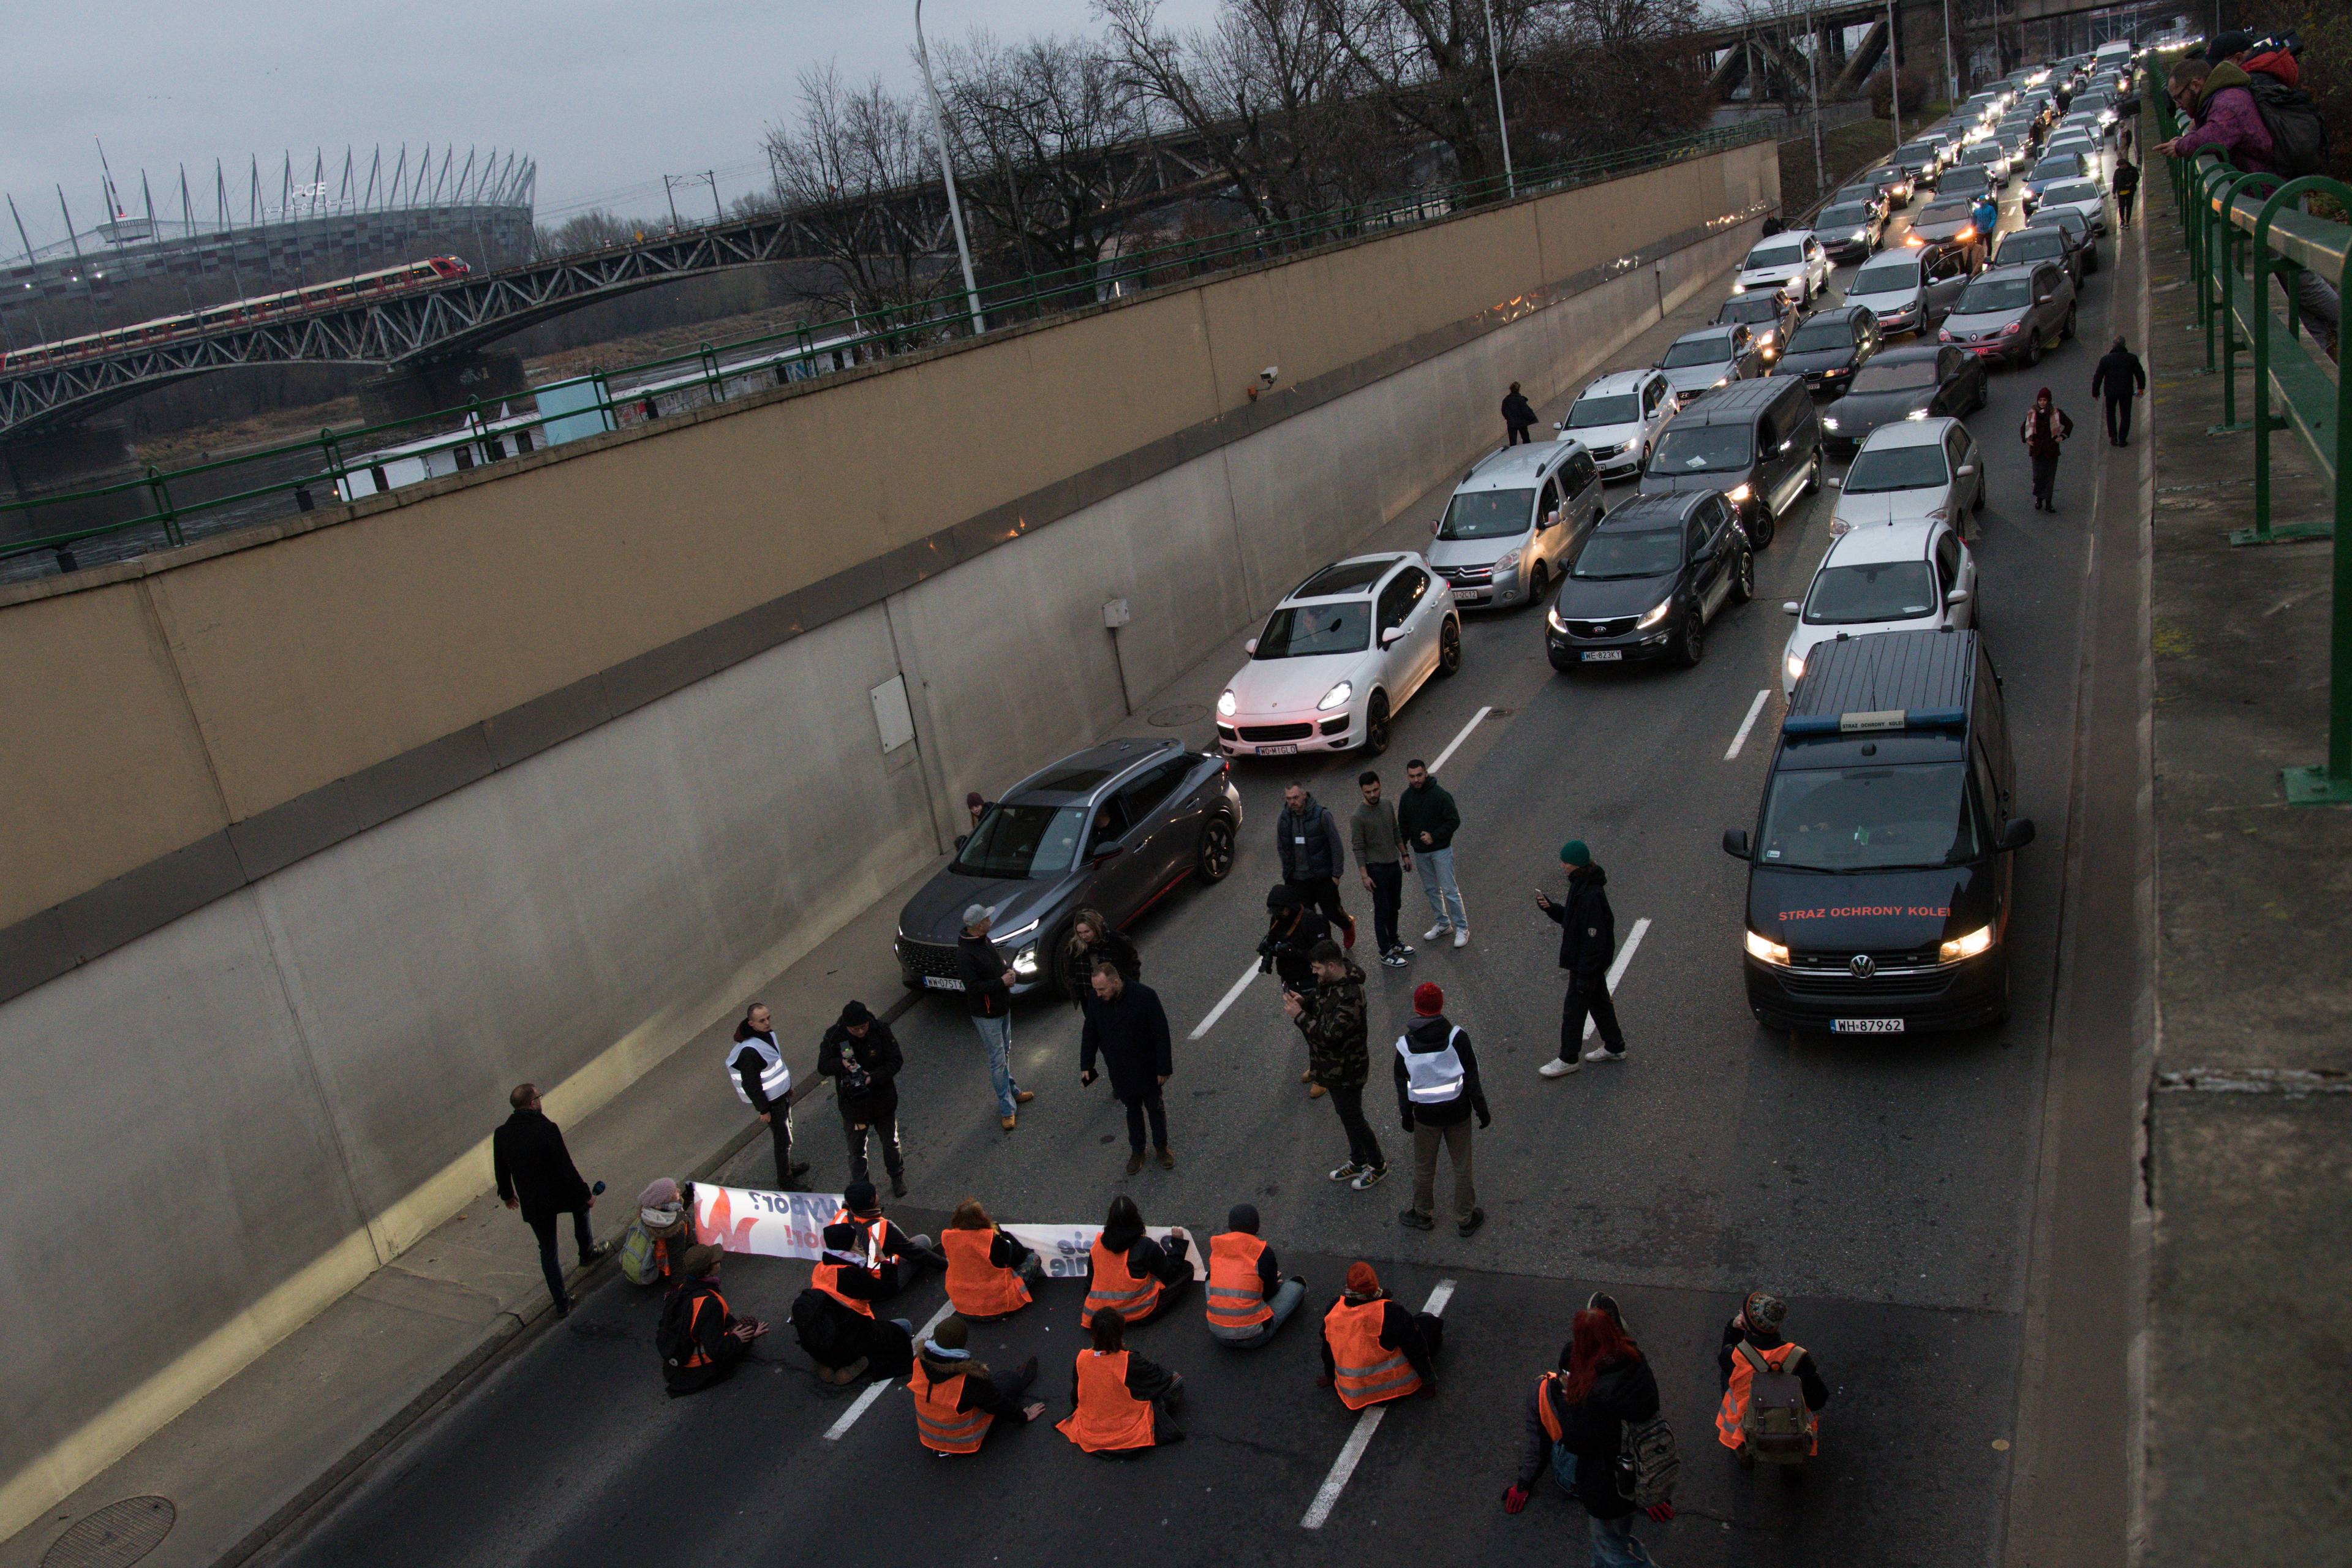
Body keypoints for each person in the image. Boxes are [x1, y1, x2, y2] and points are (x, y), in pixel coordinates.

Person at [1504, 1310, 1672, 1564]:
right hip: (1637, 1477)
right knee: (1613, 1542)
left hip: (1604, 1488)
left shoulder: (1588, 1399)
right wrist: (1647, 1492)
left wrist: (1523, 1484)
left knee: (1610, 1548)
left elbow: (1572, 1442)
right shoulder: (1634, 1367)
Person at [492, 1083, 608, 1317]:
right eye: (539, 1097)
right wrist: (586, 1195)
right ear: (533, 1103)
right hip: (560, 1193)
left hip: (534, 1202)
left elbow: (501, 1169)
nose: (541, 1100)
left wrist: (507, 1195)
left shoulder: (502, 1134)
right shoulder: (546, 1129)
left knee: (548, 1250)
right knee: (582, 1210)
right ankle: (586, 1252)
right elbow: (565, 1167)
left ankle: (562, 1301)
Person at [1394, 982, 1490, 1237]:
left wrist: (1406, 1114)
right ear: (1441, 1007)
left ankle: (1423, 1213)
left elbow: (1402, 1084)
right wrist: (1481, 1109)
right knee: (1462, 1165)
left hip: (1425, 1117)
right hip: (1458, 1112)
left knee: (1425, 1167)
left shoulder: (1405, 1045)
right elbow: (1471, 1077)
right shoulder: (1457, 1037)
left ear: (1416, 1008)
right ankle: (1465, 1217)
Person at [1289, 939, 1387, 1188]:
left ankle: (1377, 1165)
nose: (1314, 972)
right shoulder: (1331, 983)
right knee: (1346, 1115)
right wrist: (1306, 1002)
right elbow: (1322, 1004)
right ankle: (1358, 1161)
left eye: (1317, 968)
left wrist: (1299, 1016)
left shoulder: (1351, 996)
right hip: (1333, 1068)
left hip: (1348, 1069)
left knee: (1354, 1117)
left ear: (1332, 966)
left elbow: (1330, 1035)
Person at [1537, 840, 1626, 1076]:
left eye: (1565, 863)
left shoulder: (1590, 895)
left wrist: (1585, 974)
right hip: (1589, 963)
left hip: (1586, 964)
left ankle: (1568, 1058)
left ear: (1575, 864)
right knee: (1599, 1003)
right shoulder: (1582, 886)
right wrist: (1551, 908)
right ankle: (1615, 1047)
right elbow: (1574, 921)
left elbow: (1593, 938)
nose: (1562, 866)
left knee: (1574, 1011)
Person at [1079, 959, 1177, 1172]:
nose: (1098, 994)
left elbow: (1161, 1034)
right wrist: (1087, 1064)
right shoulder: (1096, 1000)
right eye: (1095, 989)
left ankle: (1161, 1147)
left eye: (1102, 989)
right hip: (1120, 1070)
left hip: (1147, 1067)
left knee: (1155, 1108)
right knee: (1132, 1111)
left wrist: (1164, 1068)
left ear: (1116, 982)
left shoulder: (1145, 996)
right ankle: (1138, 1149)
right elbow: (1091, 1032)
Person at [792, 1220, 918, 1384]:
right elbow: (888, 1290)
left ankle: (830, 1363)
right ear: (848, 1247)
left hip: (826, 1333)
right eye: (856, 1244)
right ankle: (860, 1361)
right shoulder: (850, 1275)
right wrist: (886, 1260)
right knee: (904, 1327)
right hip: (851, 1336)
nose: (860, 1247)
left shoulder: (821, 1268)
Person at [1716, 1290, 1830, 1467]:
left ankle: (1744, 1452)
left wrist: (1733, 1328)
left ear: (1749, 1326)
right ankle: (1789, 1464)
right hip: (1788, 1423)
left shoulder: (1735, 1356)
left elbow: (1724, 1357)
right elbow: (1818, 1399)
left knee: (1727, 1376)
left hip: (1748, 1417)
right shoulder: (1798, 1357)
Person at [1057, 1308, 1186, 1454]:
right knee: (1176, 1381)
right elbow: (1162, 1378)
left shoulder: (1082, 1358)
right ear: (1121, 1332)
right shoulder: (1129, 1361)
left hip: (1091, 1430)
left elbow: (1076, 1396)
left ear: (1094, 1335)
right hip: (1126, 1431)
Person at [909, 1315, 1045, 1453]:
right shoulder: (968, 1378)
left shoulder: (919, 1362)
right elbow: (996, 1403)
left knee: (985, 1388)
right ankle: (1019, 1378)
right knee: (1007, 1380)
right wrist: (1023, 1416)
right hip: (964, 1439)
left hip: (930, 1437)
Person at [1320, 1261, 1442, 1408]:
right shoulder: (1391, 1312)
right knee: (1429, 1324)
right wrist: (1429, 1382)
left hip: (1353, 1394)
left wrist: (1329, 1376)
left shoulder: (1334, 1309)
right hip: (1394, 1389)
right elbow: (1416, 1349)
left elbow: (1327, 1348)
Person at [956, 904, 1034, 1131]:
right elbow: (973, 987)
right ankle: (1007, 1109)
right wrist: (1002, 982)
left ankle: (1012, 1091)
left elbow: (995, 966)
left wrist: (1007, 972)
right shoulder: (965, 954)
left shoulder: (984, 941)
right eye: (988, 919)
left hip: (1001, 1007)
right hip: (987, 1015)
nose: (991, 921)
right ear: (980, 925)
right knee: (998, 1061)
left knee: (1004, 1054)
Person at [818, 1000, 906, 1194]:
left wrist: (872, 1078)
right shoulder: (835, 1037)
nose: (860, 1032)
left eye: (863, 1027)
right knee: (857, 1150)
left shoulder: (880, 1030)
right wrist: (842, 1064)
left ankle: (897, 1176)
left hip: (883, 1101)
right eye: (855, 1029)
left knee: (890, 1142)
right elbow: (823, 1066)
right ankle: (862, 1190)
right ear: (846, 1026)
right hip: (855, 1108)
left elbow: (896, 1060)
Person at [657, 1244, 766, 1395]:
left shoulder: (684, 1289)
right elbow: (716, 1350)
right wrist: (739, 1339)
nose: (720, 1262)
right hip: (698, 1368)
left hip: (678, 1359)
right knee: (750, 1325)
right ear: (707, 1271)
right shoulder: (709, 1304)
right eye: (716, 1262)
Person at [1259, 884, 1332, 1095]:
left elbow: (1325, 954)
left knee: (1317, 1028)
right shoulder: (1279, 920)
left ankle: (1324, 1075)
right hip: (1291, 983)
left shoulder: (1313, 922)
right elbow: (1274, 938)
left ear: (1289, 907)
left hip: (1311, 984)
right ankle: (1317, 1064)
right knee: (1306, 1029)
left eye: (1280, 911)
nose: (1278, 916)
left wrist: (1295, 951)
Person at [1204, 1203, 1308, 1349]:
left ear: (1230, 1226)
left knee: (1210, 1277)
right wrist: (1268, 1281)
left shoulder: (1218, 1247)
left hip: (1218, 1333)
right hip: (1255, 1336)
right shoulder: (1263, 1252)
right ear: (1257, 1227)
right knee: (1298, 1284)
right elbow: (1270, 1293)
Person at [729, 1001, 809, 1185]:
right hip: (772, 1103)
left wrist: (787, 1087)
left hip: (781, 1097)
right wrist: (764, 1110)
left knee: (787, 1133)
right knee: (783, 1141)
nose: (767, 1023)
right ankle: (786, 1181)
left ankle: (788, 1168)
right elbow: (751, 1085)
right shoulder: (749, 1051)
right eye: (762, 1020)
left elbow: (775, 1064)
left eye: (768, 1018)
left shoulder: (768, 1036)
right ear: (751, 1024)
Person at [1082, 1195, 1193, 1327]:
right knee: (1186, 1268)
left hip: (1103, 1317)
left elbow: (1089, 1284)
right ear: (1136, 1219)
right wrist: (1178, 1244)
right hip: (1139, 1314)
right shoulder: (1145, 1245)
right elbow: (1169, 1273)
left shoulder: (1098, 1244)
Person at [2156, 55, 2274, 173]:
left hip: (2264, 184)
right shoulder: (2223, 96)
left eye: (2179, 97)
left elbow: (2211, 137)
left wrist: (2180, 146)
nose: (2178, 105)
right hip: (2255, 178)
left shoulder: (2227, 104)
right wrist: (2186, 140)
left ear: (2196, 85)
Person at [834, 1180, 948, 1298]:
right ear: (872, 1201)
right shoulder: (883, 1228)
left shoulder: (840, 1217)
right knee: (923, 1242)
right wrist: (944, 1263)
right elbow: (914, 1252)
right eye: (876, 1194)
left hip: (846, 1282)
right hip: (878, 1285)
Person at [1396, 760, 1468, 946]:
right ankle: (1443, 924)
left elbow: (1454, 821)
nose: (1416, 779)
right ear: (1408, 777)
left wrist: (1434, 836)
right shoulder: (1406, 798)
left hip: (1441, 851)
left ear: (1426, 773)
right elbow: (1403, 827)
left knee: (1450, 891)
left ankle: (1462, 928)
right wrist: (1404, 853)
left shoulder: (1440, 795)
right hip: (1420, 854)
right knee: (1431, 891)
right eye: (1412, 776)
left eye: (1419, 775)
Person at [1276, 782, 1357, 947]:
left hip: (1322, 877)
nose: (1292, 802)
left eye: (1296, 797)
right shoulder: (1284, 819)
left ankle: (1347, 925)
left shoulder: (1322, 815)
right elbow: (1282, 846)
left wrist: (1336, 875)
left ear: (1304, 795)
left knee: (1333, 912)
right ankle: (1324, 949)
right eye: (1289, 798)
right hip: (1298, 880)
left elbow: (1336, 845)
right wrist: (1288, 874)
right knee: (1307, 918)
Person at [1351, 769, 1413, 967]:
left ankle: (1394, 941)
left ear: (1380, 786)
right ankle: (1385, 951)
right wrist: (1364, 876)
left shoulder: (1386, 805)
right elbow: (1358, 848)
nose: (1373, 795)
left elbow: (1395, 831)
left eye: (1375, 790)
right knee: (1382, 909)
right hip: (1376, 869)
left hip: (1393, 864)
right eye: (1368, 792)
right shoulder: (1358, 817)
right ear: (1362, 792)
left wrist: (1404, 854)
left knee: (1395, 905)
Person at [941, 1197, 1042, 1321]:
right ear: (980, 1219)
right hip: (995, 1307)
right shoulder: (990, 1240)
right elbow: (1019, 1255)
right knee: (1033, 1258)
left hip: (963, 1307)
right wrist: (1000, 1232)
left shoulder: (950, 1238)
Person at [619, 1176, 695, 1287]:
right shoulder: (674, 1228)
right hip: (663, 1270)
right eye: (674, 1191)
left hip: (651, 1259)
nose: (678, 1190)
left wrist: (687, 1197)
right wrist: (680, 1286)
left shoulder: (650, 1212)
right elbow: (676, 1259)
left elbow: (672, 1211)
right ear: (667, 1199)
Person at [1061, 907, 1140, 1012]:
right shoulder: (1074, 948)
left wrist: (1130, 988)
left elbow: (1133, 964)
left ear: (1096, 928)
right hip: (1090, 1000)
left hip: (1117, 996)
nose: (1083, 936)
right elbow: (1070, 973)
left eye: (1087, 931)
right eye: (1080, 933)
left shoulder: (1116, 941)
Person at [2021, 387, 2075, 513]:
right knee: (2038, 477)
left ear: (2049, 401)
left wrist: (2062, 437)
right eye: (2040, 400)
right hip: (2037, 451)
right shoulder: (2032, 413)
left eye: (2045, 400)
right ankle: (2039, 499)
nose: (2042, 402)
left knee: (2050, 477)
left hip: (2051, 450)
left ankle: (2048, 503)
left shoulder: (2056, 413)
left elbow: (2069, 424)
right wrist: (2027, 440)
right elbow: (2024, 427)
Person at [2091, 337, 2147, 447]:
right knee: (2125, 414)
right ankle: (2122, 439)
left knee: (2110, 413)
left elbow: (2098, 377)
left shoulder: (2105, 360)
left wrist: (2096, 392)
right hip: (2126, 392)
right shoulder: (2132, 358)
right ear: (2124, 345)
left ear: (2113, 346)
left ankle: (2113, 436)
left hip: (2110, 392)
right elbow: (2140, 374)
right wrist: (2141, 387)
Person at [1502, 381, 1537, 445]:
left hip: (1511, 423)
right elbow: (1525, 411)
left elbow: (1504, 411)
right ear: (1519, 390)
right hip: (1522, 423)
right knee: (1526, 439)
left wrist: (1508, 418)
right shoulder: (1521, 400)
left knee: (1513, 442)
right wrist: (1532, 418)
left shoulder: (1506, 400)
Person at [2111, 153, 2139, 227]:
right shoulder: (2118, 172)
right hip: (2121, 191)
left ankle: (2127, 221)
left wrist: (2132, 183)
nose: (2120, 167)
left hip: (2130, 191)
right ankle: (2122, 220)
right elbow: (2115, 182)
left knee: (2129, 206)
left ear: (2125, 164)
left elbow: (2137, 178)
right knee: (2121, 206)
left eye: (2121, 166)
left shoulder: (2133, 169)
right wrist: (2114, 192)